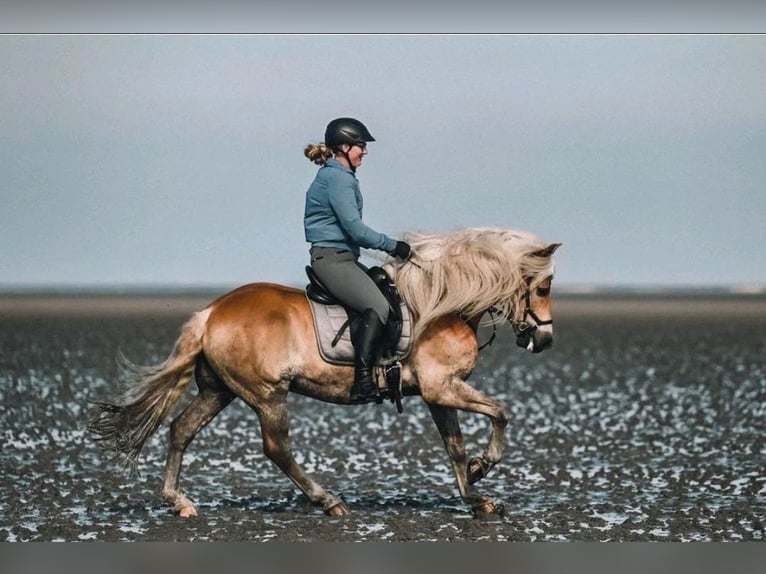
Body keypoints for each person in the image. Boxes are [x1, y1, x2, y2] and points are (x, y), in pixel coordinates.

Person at [303, 117, 411, 403]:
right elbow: (355, 229)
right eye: (360, 146)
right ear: (343, 147)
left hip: (343, 259)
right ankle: (362, 382)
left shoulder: (339, 176)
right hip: (333, 260)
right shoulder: (338, 179)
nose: (365, 151)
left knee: (383, 287)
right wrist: (394, 246)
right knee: (376, 305)